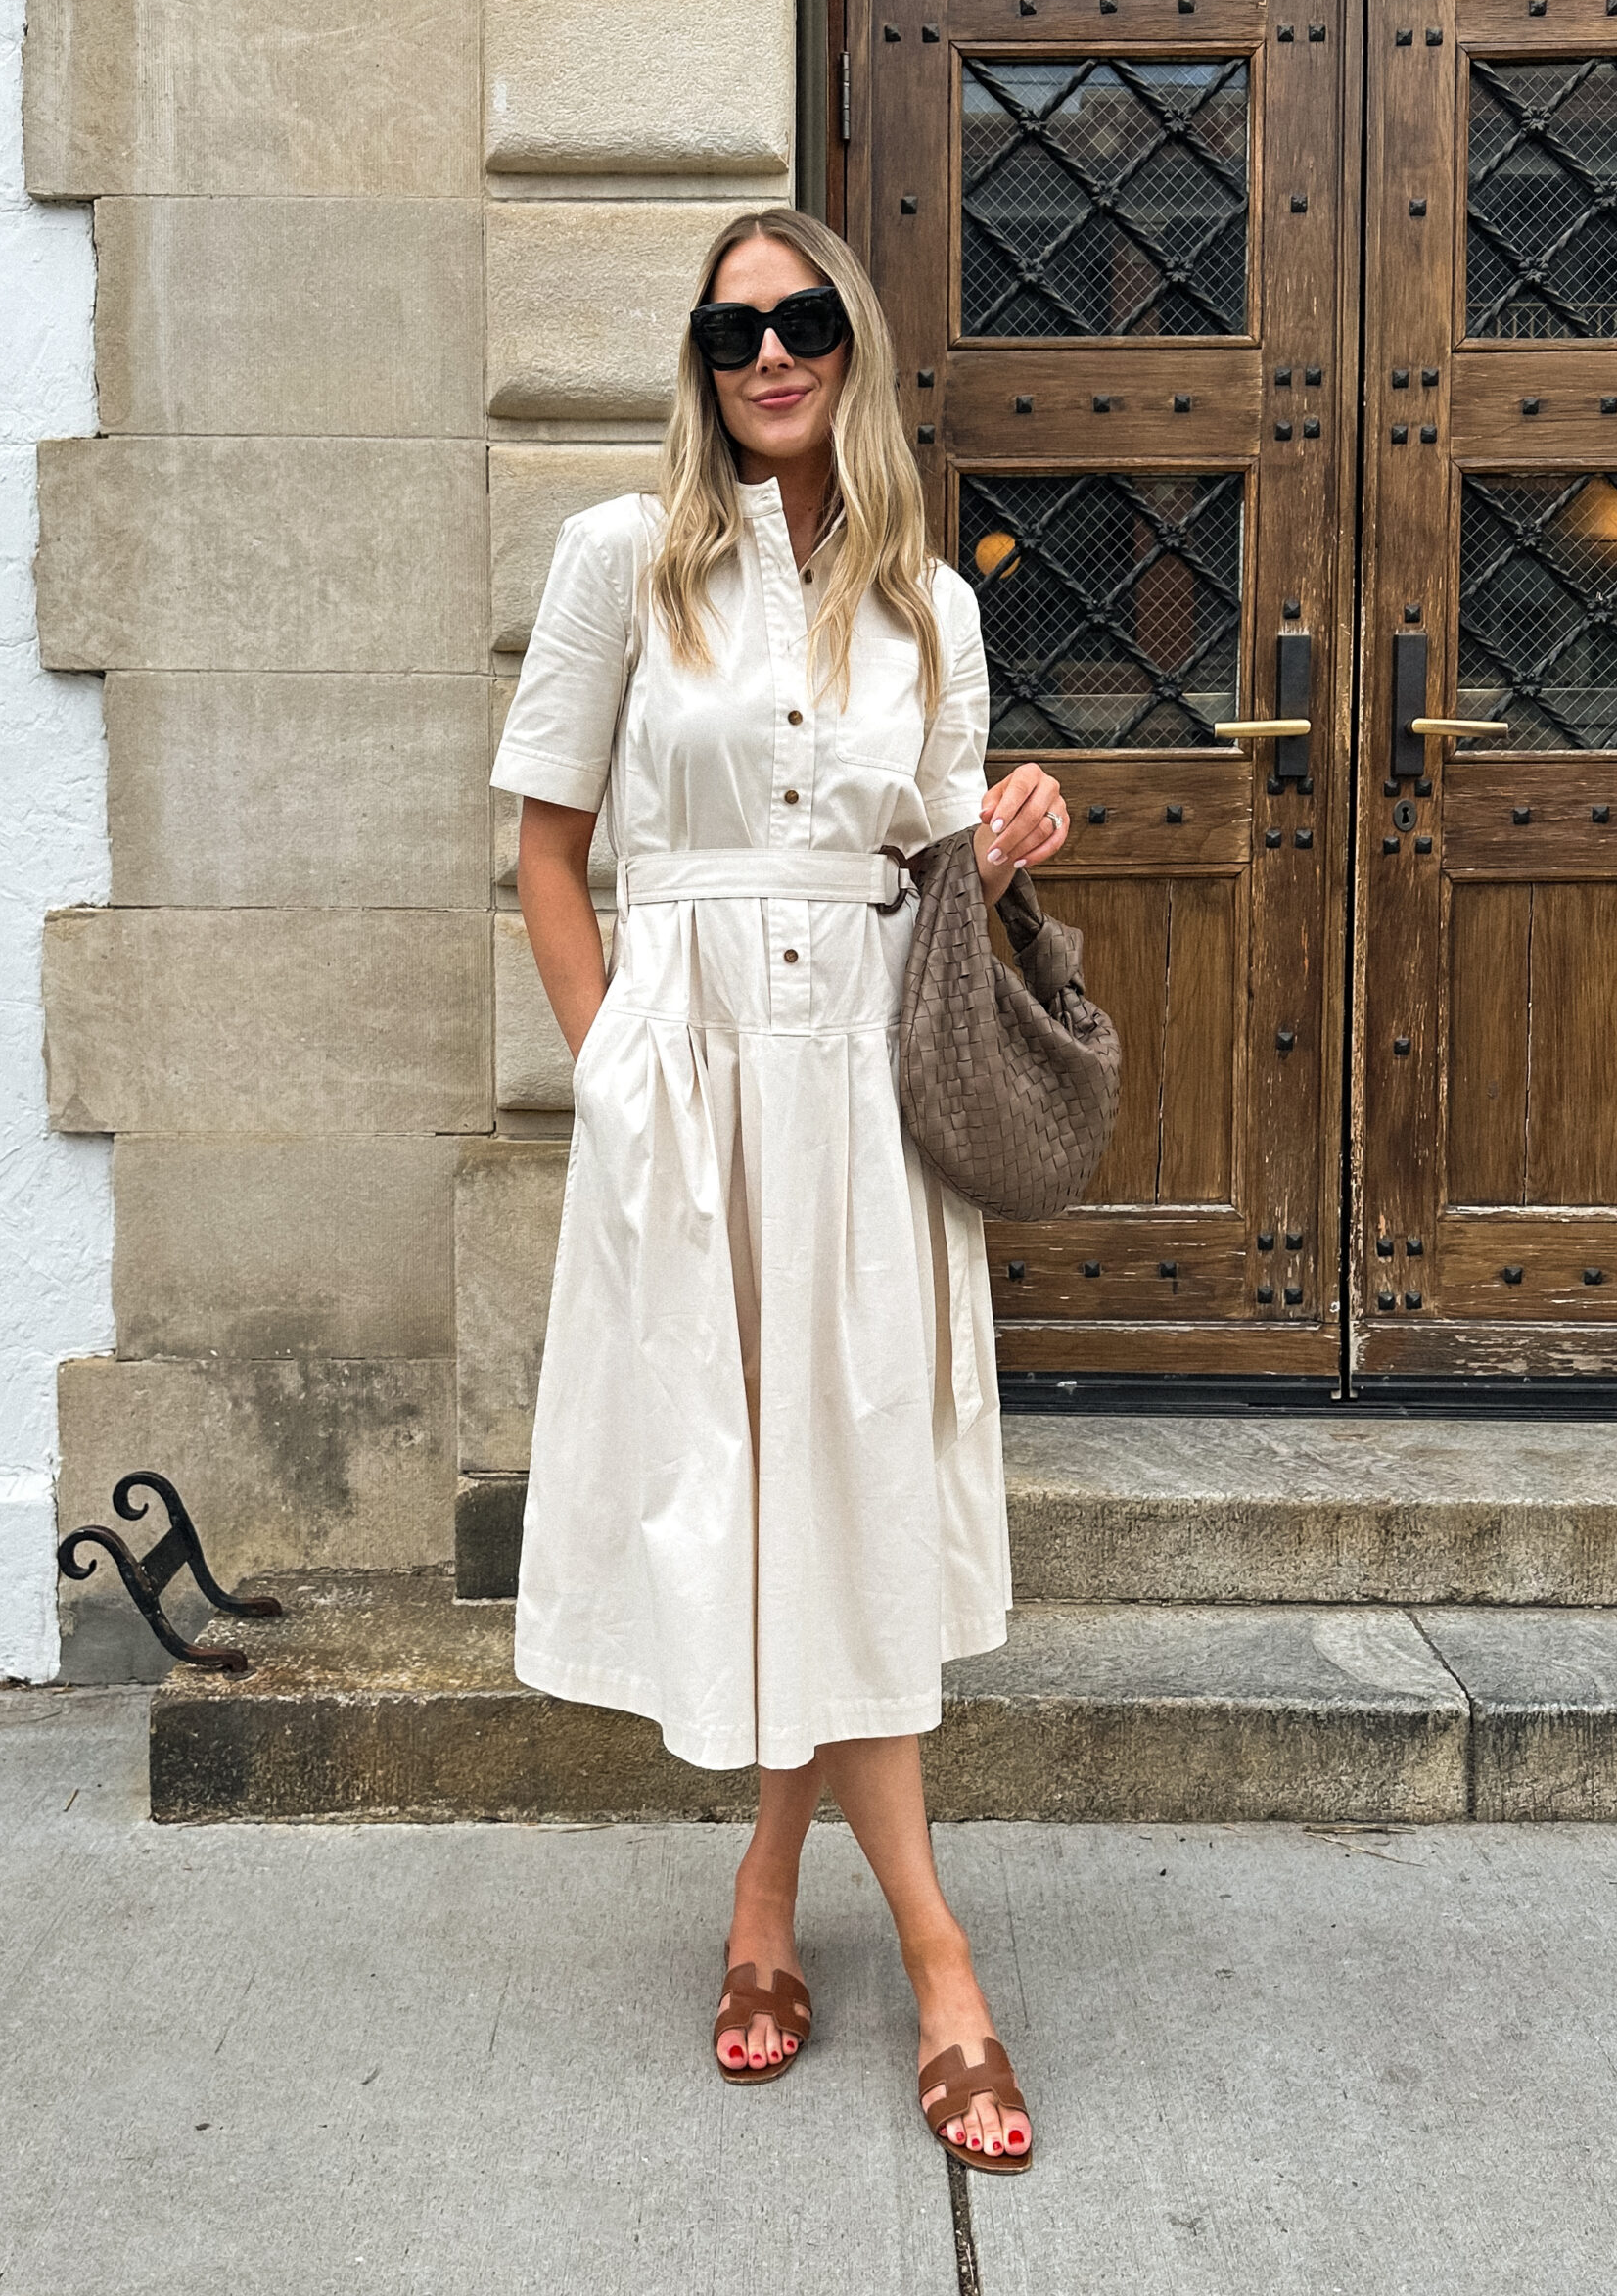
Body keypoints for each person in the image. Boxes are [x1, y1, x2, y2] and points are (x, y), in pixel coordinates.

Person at [490, 206, 1068, 2172]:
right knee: (765, 1495)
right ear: (699, 355)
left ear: (851, 342)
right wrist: (619, 1075)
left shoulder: (931, 602)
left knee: (841, 1501)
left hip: (866, 1105)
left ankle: (765, 1904)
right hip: (697, 1085)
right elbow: (545, 851)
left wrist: (1008, 834)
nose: (765, 353)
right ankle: (942, 1959)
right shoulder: (617, 563)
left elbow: (927, 880)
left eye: (801, 318)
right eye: (730, 327)